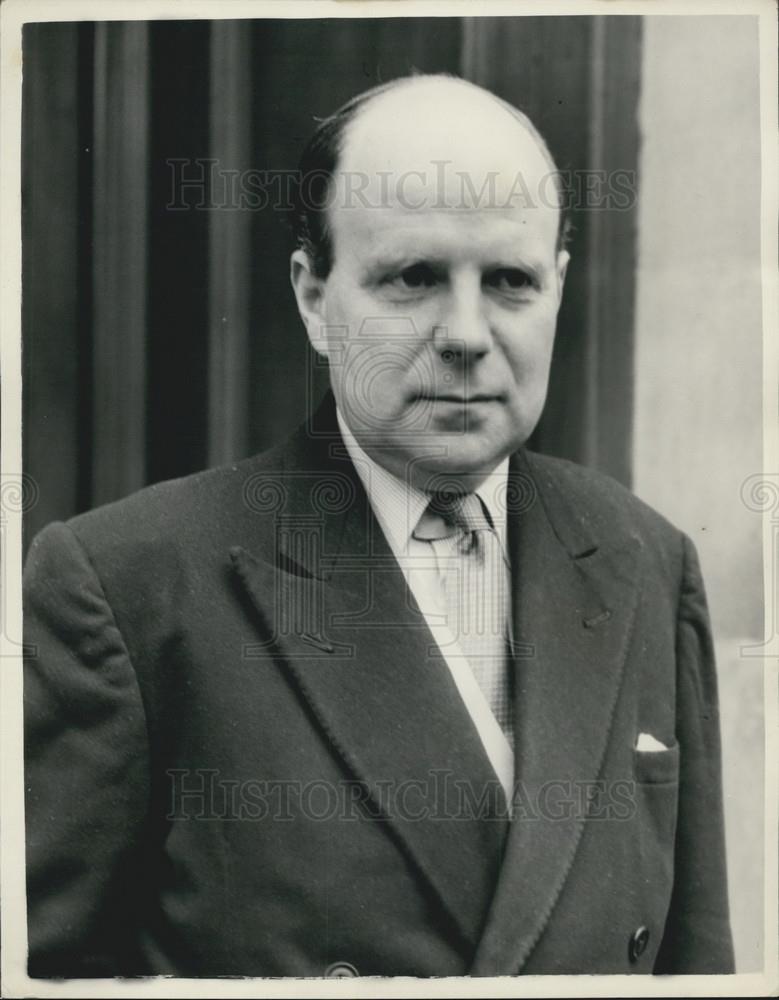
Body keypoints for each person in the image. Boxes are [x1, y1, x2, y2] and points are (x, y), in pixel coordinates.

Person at [23, 74, 734, 978]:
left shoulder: (642, 557)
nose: (466, 333)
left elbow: (697, 964)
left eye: (509, 281)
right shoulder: (129, 586)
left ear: (557, 288)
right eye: (413, 278)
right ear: (314, 298)